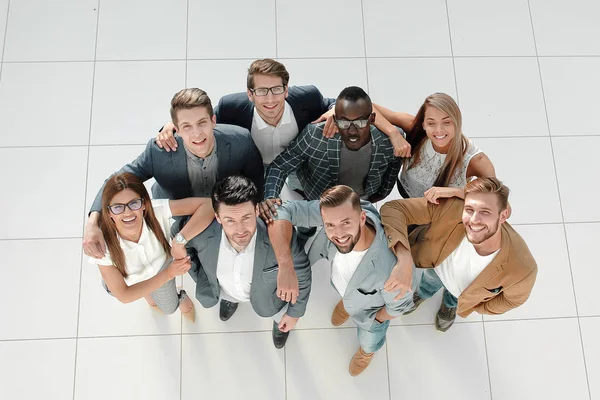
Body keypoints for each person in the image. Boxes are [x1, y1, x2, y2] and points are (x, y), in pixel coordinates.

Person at [83, 88, 264, 260]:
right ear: (176, 128)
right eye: (186, 126)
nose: (197, 133)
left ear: (213, 121)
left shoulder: (240, 140)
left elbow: (255, 175)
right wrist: (92, 224)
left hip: (222, 210)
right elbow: (116, 181)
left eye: (202, 123)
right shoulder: (159, 151)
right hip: (179, 212)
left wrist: (259, 204)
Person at [268, 185, 416, 376]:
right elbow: (284, 211)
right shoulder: (336, 212)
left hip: (370, 314)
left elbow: (398, 307)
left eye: (346, 223)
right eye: (329, 225)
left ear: (362, 218)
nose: (338, 234)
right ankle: (347, 303)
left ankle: (366, 353)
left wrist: (376, 318)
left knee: (369, 340)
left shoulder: (391, 269)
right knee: (348, 295)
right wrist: (285, 265)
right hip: (347, 289)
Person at [381, 177, 537, 332]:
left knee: (453, 298)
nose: (474, 220)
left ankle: (449, 306)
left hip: (464, 291)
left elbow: (512, 300)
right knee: (429, 282)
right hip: (438, 268)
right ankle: (422, 294)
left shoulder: (523, 270)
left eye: (485, 212)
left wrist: (475, 304)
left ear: (503, 216)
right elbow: (393, 209)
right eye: (469, 210)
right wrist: (404, 257)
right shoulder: (453, 208)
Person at [184, 175, 312, 349]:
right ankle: (231, 301)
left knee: (279, 315)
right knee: (229, 295)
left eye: (246, 217)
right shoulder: (201, 234)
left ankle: (279, 324)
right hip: (225, 289)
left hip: (269, 300)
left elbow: (302, 272)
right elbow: (184, 248)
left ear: (257, 211)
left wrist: (294, 313)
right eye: (230, 220)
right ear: (218, 217)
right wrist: (202, 277)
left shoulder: (280, 238)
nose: (240, 230)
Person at [156, 58, 337, 169]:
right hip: (252, 171)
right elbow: (201, 119)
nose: (270, 99)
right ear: (250, 94)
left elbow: (332, 103)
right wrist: (171, 125)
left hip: (298, 170)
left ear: (286, 90)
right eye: (261, 91)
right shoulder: (231, 107)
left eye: (276, 89)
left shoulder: (308, 97)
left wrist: (336, 110)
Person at [88, 172, 215, 321]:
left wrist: (180, 240)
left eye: (134, 203)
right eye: (118, 207)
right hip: (133, 280)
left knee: (169, 309)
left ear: (144, 204)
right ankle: (147, 294)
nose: (127, 212)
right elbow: (124, 295)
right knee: (142, 293)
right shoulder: (102, 243)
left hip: (160, 268)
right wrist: (169, 273)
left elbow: (209, 205)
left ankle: (178, 296)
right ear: (109, 213)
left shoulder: (157, 210)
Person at [261, 86, 402, 216]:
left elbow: (394, 164)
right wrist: (270, 196)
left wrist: (382, 192)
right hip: (314, 193)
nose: (352, 131)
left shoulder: (390, 142)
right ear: (334, 119)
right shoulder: (315, 135)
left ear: (372, 119)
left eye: (359, 123)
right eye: (344, 123)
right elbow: (280, 166)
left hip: (359, 198)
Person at [373, 93, 496, 204]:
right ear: (424, 124)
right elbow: (365, 106)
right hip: (408, 194)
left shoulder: (475, 160)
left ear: (457, 122)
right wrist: (393, 132)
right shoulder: (417, 130)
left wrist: (455, 192)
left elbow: (501, 203)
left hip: (442, 212)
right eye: (431, 123)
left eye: (447, 122)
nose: (439, 130)